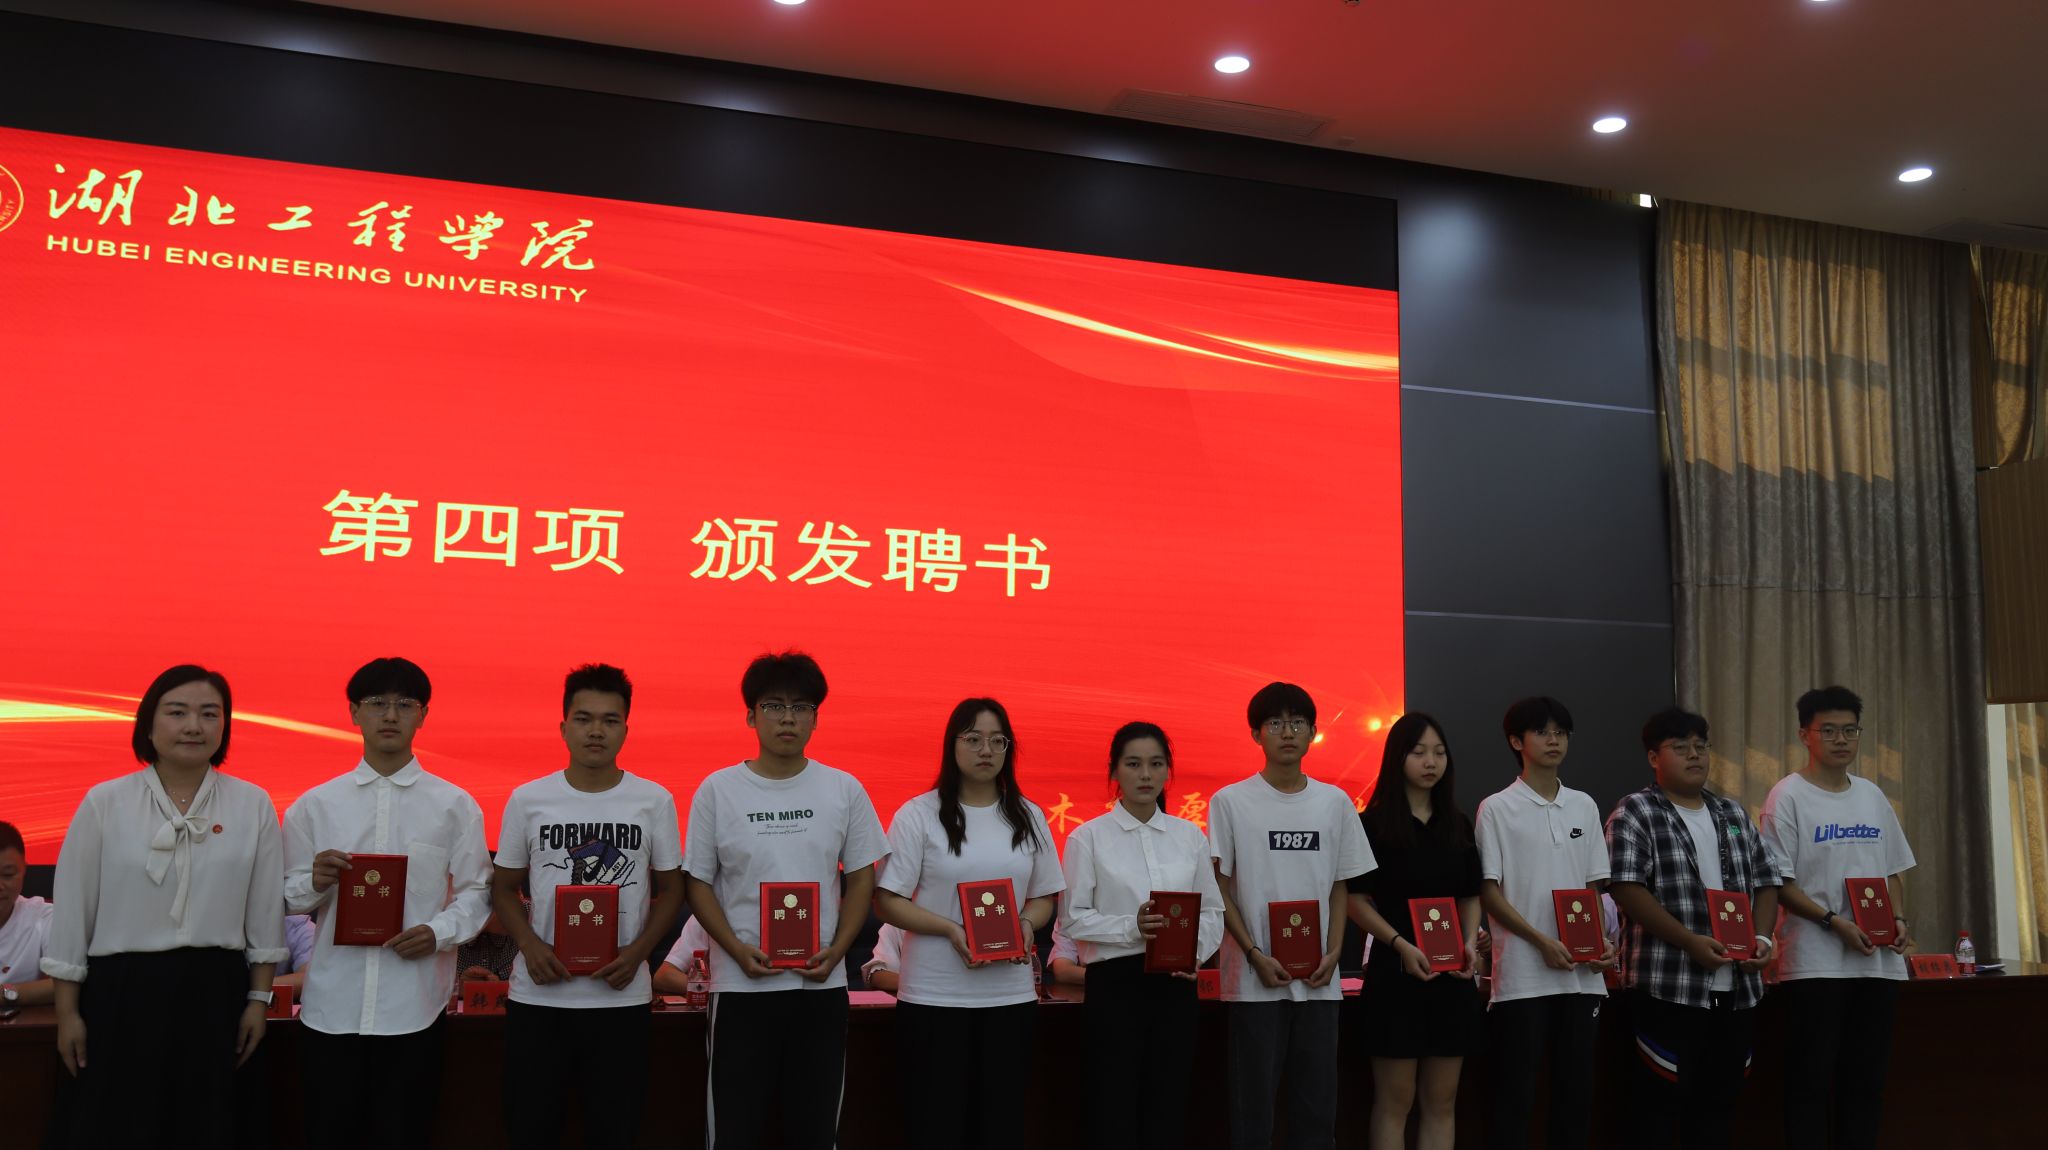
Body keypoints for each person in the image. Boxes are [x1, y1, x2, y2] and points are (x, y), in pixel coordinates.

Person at [41, 665, 287, 1149]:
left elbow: (263, 914)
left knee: (209, 1125)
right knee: (119, 1127)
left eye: (209, 714)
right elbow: (72, 913)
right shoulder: (105, 802)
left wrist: (258, 1002)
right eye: (177, 713)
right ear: (148, 725)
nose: (194, 726)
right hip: (121, 995)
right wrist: (67, 1013)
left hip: (216, 995)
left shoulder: (252, 804)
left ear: (224, 726)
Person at [282, 657, 492, 1150]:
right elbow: (287, 895)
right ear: (354, 712)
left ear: (423, 715)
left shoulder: (454, 805)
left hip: (413, 1007)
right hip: (331, 1008)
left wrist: (438, 932)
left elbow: (478, 892)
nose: (391, 715)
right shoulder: (315, 805)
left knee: (404, 1135)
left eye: (405, 704)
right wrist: (315, 882)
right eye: (377, 703)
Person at [682, 651, 888, 1149]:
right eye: (774, 706)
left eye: (801, 707)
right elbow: (698, 883)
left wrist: (838, 951)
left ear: (816, 718)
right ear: (751, 716)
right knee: (734, 1129)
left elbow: (861, 879)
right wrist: (735, 950)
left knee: (814, 1130)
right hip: (740, 988)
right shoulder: (718, 790)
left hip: (819, 986)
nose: (788, 718)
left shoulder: (844, 789)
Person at [490, 664, 685, 1150]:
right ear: (563, 727)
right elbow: (504, 887)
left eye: (610, 720)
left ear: (625, 729)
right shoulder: (528, 799)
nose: (596, 731)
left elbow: (672, 890)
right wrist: (530, 945)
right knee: (531, 1131)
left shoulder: (654, 800)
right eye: (583, 719)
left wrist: (639, 953)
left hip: (621, 998)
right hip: (539, 997)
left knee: (615, 1132)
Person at [876, 698, 1064, 1150]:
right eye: (974, 739)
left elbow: (1045, 896)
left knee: (1000, 1127)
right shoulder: (918, 815)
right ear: (952, 745)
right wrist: (949, 929)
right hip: (934, 998)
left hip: (1009, 998)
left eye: (998, 741)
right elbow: (887, 901)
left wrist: (1026, 922)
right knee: (936, 1127)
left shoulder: (1028, 815)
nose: (986, 750)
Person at [1209, 682, 1374, 1150]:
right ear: (1256, 734)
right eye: (1275, 723)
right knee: (1253, 1114)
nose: (1287, 732)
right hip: (1254, 981)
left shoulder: (1335, 802)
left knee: (1317, 1113)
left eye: (1297, 723)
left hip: (1320, 982)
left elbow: (1340, 884)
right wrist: (1254, 953)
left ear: (1313, 732)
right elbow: (1220, 887)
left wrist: (1335, 953)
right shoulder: (1230, 801)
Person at [1607, 707, 1781, 1150]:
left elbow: (1767, 881)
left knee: (1720, 1106)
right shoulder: (1636, 811)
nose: (1695, 755)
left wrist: (1762, 939)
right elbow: (1625, 887)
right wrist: (1689, 942)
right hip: (1669, 986)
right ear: (1654, 757)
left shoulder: (1732, 813)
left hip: (1738, 989)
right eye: (1681, 747)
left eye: (1701, 746)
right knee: (1658, 1108)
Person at [1759, 686, 1917, 1146]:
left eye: (1850, 730)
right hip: (1816, 964)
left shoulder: (1872, 795)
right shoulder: (1787, 796)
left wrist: (1899, 919)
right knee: (1810, 1082)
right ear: (1804, 735)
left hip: (1878, 963)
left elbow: (1893, 870)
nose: (1841, 740)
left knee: (1866, 1083)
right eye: (1828, 730)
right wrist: (1834, 922)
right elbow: (1779, 883)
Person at [1059, 722, 1224, 1150]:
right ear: (1115, 770)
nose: (1146, 775)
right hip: (1115, 986)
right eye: (1133, 764)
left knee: (1168, 1103)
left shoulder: (1190, 837)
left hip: (1176, 983)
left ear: (1168, 770)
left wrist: (1194, 954)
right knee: (1112, 1104)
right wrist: (1131, 926)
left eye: (1156, 764)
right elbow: (1073, 919)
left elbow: (1212, 911)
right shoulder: (1088, 838)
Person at [1474, 696, 1615, 1150]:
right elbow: (1489, 892)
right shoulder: (1497, 808)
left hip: (1581, 976)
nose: (1554, 740)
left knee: (1575, 1098)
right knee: (1515, 1097)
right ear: (1517, 742)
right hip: (1523, 978)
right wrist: (1541, 941)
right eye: (1541, 732)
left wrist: (1600, 942)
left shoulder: (1583, 805)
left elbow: (1592, 886)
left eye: (1561, 732)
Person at [1348, 714, 1484, 1150]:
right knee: (1395, 1101)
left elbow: (1470, 895)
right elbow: (1355, 901)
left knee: (1442, 1101)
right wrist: (1399, 944)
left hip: (1452, 977)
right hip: (1396, 974)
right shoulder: (1372, 826)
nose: (1431, 762)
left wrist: (1469, 941)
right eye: (1419, 752)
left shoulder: (1457, 824)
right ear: (1397, 758)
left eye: (1439, 753)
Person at [0, 820, 55, 1008]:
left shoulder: (42, 917)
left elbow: (65, 983)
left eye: (8, 875)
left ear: (24, 869)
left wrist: (6, 994)